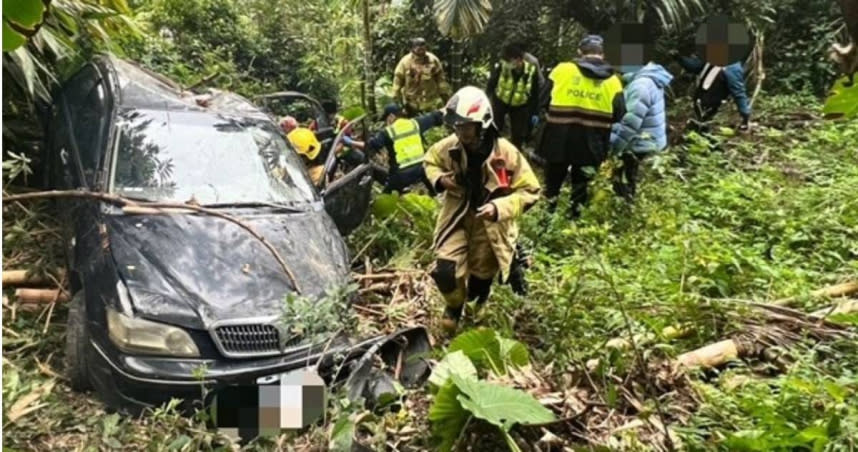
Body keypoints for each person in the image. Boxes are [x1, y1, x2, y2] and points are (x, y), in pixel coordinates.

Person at [423, 86, 541, 334]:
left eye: (467, 126)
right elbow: (430, 160)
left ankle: (477, 303)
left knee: (480, 276)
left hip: (490, 227)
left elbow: (531, 190)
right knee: (445, 271)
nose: (461, 131)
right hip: (457, 216)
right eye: (458, 126)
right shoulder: (450, 147)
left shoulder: (506, 153)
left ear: (482, 123)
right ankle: (454, 307)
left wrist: (499, 207)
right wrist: (441, 180)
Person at [538, 35, 625, 218]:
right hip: (592, 145)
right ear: (602, 54)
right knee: (581, 190)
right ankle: (573, 225)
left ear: (580, 52)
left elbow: (542, 100)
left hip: (558, 140)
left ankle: (545, 223)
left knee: (552, 187)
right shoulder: (613, 81)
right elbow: (619, 114)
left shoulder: (561, 71)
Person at [343, 103, 443, 194]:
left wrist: (349, 142)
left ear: (391, 116)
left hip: (401, 173)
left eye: (386, 119)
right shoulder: (415, 123)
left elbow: (370, 146)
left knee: (386, 196)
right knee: (432, 187)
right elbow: (435, 117)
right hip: (421, 169)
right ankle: (434, 195)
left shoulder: (388, 132)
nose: (386, 123)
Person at [610, 62, 674, 202]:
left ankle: (625, 211)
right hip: (648, 141)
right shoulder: (648, 78)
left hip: (638, 144)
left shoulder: (641, 85)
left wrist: (614, 148)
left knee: (623, 182)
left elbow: (630, 123)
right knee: (631, 180)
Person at [673, 51, 752, 131]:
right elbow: (695, 67)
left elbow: (738, 92)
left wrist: (745, 113)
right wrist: (679, 58)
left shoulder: (732, 67)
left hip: (713, 108)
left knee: (705, 131)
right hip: (699, 103)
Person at [486, 42, 542, 149]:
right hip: (501, 100)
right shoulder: (503, 67)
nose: (507, 63)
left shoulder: (531, 70)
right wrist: (487, 98)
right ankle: (491, 150)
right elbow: (492, 83)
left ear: (519, 60)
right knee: (495, 129)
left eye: (509, 61)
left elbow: (534, 93)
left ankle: (515, 156)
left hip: (520, 105)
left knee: (518, 135)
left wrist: (535, 112)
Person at [392, 37, 451, 117]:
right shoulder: (405, 62)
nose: (421, 49)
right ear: (412, 48)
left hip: (431, 103)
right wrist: (397, 102)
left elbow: (441, 81)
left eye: (423, 47)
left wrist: (446, 100)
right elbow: (397, 82)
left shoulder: (433, 60)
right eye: (418, 47)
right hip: (411, 105)